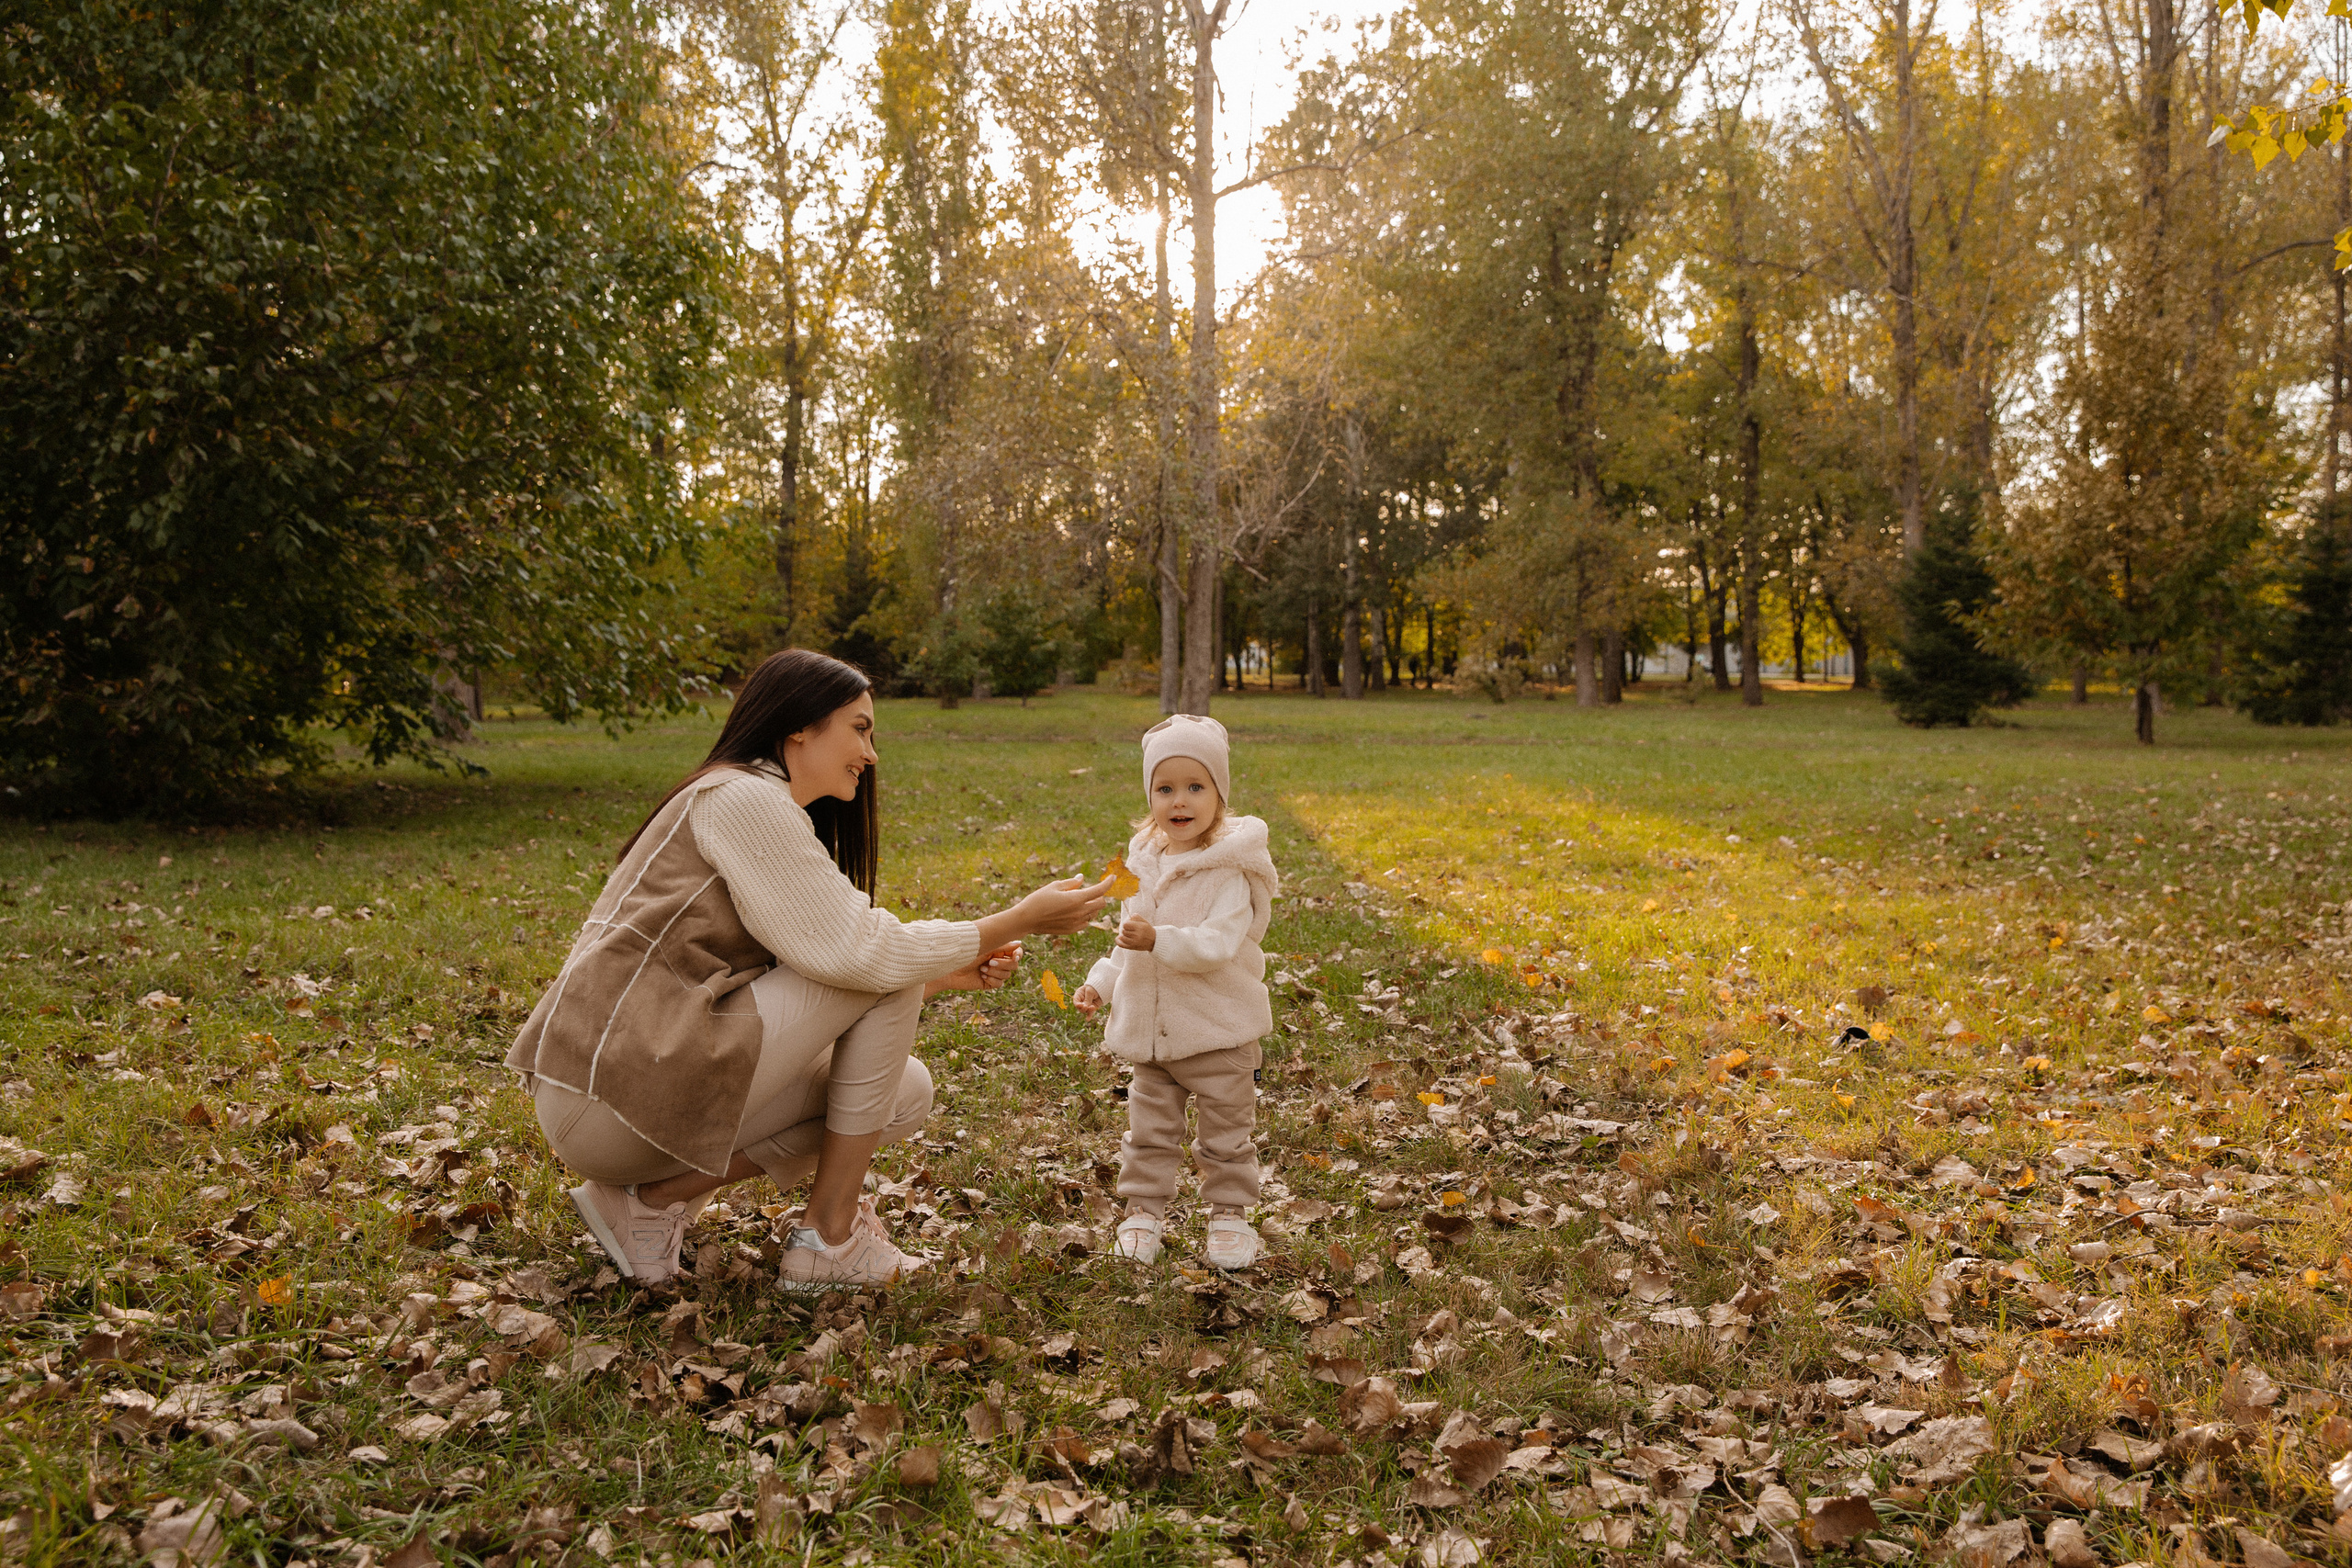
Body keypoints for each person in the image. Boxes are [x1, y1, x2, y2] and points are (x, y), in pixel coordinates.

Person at [507, 649, 1114, 1291]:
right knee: (883, 965)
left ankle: (650, 1203)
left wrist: (938, 976)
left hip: (641, 1087)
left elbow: (835, 967)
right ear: (799, 725)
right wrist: (1018, 919)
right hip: (605, 1093)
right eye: (860, 728)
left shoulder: (753, 802)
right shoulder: (741, 796)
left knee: (904, 1093)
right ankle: (829, 1237)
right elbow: (865, 954)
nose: (870, 753)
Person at [1072, 715, 1281, 1270]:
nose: (1180, 801)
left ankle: (1230, 1215)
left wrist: (1158, 939)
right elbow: (1128, 942)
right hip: (1154, 1038)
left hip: (1219, 1033)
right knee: (1149, 1132)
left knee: (1227, 1134)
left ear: (1219, 795)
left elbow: (1217, 944)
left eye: (1195, 787)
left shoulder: (1228, 873)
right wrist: (1101, 983)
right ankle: (1143, 1212)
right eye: (1165, 789)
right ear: (1150, 796)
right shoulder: (1144, 863)